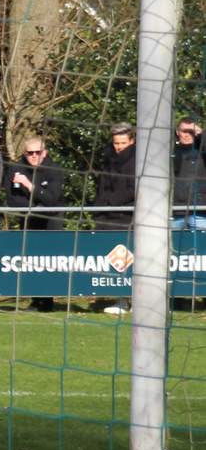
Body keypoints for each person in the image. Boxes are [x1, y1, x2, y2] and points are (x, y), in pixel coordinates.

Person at [6, 135, 67, 313]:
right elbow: (12, 199)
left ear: (44, 153)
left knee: (47, 260)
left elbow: (51, 199)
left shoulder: (54, 169)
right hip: (29, 219)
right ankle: (35, 299)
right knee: (31, 260)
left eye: (37, 152)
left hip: (51, 220)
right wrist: (34, 207)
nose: (33, 156)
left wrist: (28, 184)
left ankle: (47, 301)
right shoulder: (16, 168)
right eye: (29, 153)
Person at [94, 124, 136, 315]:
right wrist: (100, 208)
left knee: (133, 259)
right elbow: (102, 185)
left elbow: (133, 189)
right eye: (116, 143)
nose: (119, 147)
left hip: (129, 216)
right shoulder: (107, 158)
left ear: (132, 141)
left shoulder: (139, 159)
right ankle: (121, 299)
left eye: (123, 143)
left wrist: (113, 202)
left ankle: (136, 300)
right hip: (107, 216)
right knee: (115, 260)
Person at [173, 118, 206, 230]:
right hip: (176, 210)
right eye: (184, 131)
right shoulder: (172, 151)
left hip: (200, 211)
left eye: (190, 132)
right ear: (177, 132)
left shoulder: (203, 151)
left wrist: (201, 134)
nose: (187, 135)